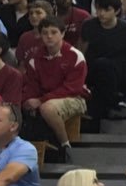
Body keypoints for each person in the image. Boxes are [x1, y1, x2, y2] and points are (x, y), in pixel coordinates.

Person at [20, 19, 88, 161]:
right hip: (45, 98)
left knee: (47, 108)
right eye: (45, 33)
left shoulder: (75, 56)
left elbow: (72, 88)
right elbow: (32, 85)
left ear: (62, 34)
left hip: (75, 97)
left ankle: (65, 145)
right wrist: (28, 100)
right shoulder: (35, 58)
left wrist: (40, 100)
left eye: (54, 32)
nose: (49, 36)